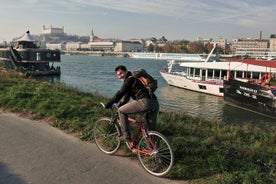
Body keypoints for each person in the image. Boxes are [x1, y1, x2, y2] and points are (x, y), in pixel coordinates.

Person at [105, 65, 159, 143]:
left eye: (121, 73)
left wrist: (109, 104)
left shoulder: (129, 79)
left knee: (121, 111)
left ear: (126, 71)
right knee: (152, 130)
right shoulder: (135, 79)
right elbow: (126, 97)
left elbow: (120, 93)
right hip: (155, 103)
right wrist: (120, 104)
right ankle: (155, 151)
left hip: (145, 102)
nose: (120, 76)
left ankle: (126, 136)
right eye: (118, 75)